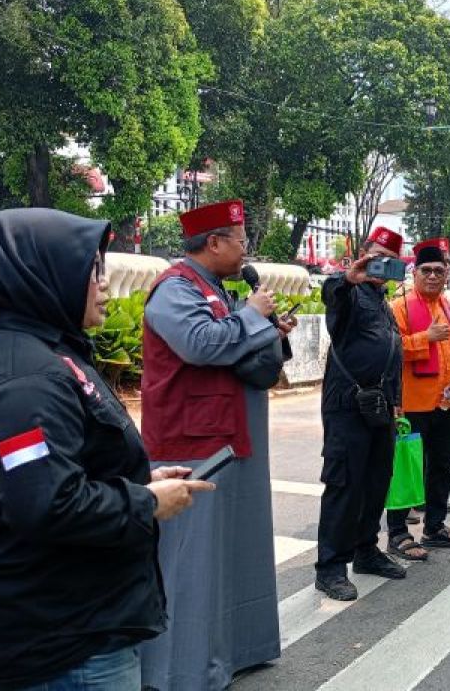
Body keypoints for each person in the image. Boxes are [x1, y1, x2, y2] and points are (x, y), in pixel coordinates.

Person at [0, 209, 213, 690]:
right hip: (64, 644)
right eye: (92, 269)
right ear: (43, 275)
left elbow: (59, 472)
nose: (106, 283)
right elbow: (44, 503)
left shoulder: (47, 352)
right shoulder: (26, 379)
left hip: (77, 620)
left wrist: (139, 482)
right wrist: (146, 502)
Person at [139, 200, 295, 689]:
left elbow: (232, 341)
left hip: (230, 435)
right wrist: (252, 316)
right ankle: (183, 668)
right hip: (192, 443)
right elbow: (201, 344)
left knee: (234, 551)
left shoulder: (214, 290)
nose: (245, 249)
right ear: (213, 243)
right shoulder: (173, 290)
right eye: (240, 240)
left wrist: (267, 328)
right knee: (192, 562)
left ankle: (236, 650)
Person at [314, 226, 407, 601]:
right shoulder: (350, 295)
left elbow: (391, 355)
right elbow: (331, 295)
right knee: (344, 485)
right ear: (365, 254)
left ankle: (366, 551)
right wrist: (345, 279)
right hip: (347, 408)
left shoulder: (382, 303)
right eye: (377, 253)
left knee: (375, 482)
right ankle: (330, 567)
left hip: (380, 408)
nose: (380, 262)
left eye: (389, 257)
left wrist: (396, 399)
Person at [388, 243, 450, 556]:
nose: (433, 276)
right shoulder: (399, 306)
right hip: (411, 403)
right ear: (415, 273)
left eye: (439, 271)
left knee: (442, 466)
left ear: (447, 274)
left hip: (447, 403)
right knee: (406, 469)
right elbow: (391, 348)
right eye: (426, 270)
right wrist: (426, 338)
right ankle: (398, 533)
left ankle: (434, 527)